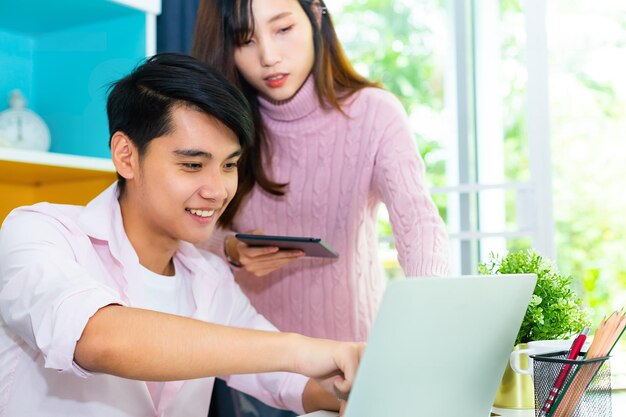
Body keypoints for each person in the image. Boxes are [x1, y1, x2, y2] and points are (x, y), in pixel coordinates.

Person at [0, 53, 364, 416]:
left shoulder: (210, 276)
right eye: (193, 165)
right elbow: (96, 338)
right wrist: (299, 350)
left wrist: (361, 385)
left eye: (229, 165)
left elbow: (287, 382)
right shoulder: (38, 233)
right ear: (126, 156)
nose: (218, 190)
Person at [192, 0, 450, 415]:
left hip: (353, 365)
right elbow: (181, 231)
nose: (268, 56)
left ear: (315, 14)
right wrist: (230, 248)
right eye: (245, 40)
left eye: (282, 29)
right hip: (256, 368)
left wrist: (426, 319)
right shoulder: (220, 125)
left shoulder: (374, 114)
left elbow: (418, 222)